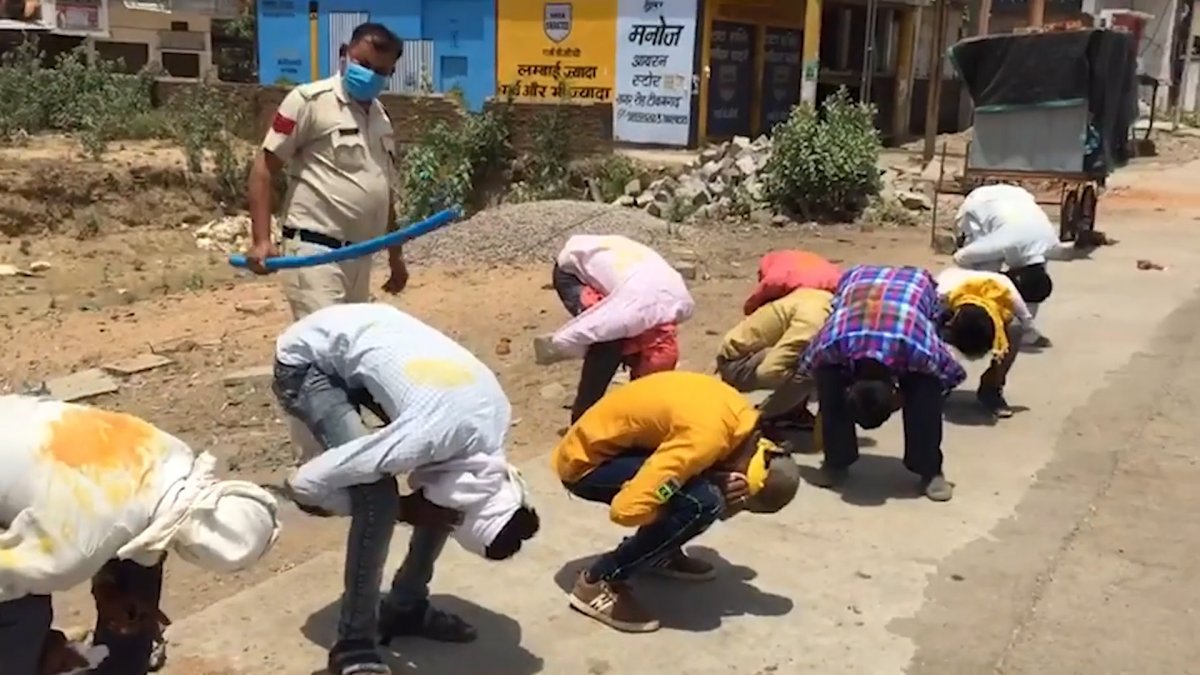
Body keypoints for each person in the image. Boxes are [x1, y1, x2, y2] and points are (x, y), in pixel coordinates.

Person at [273, 303, 540, 675]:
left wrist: (425, 507)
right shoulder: (429, 436)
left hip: (364, 335)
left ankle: (406, 606)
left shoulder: (488, 440)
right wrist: (400, 508)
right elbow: (305, 484)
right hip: (307, 360)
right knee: (377, 497)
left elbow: (449, 492)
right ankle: (353, 642)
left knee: (441, 495)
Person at [0, 395, 280, 675]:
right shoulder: (71, 552)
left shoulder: (172, 457)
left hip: (27, 441)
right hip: (58, 495)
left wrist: (108, 588)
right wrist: (45, 647)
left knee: (137, 576)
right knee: (25, 615)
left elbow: (135, 524)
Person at [552, 371, 801, 633]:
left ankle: (657, 553)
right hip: (585, 464)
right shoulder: (704, 440)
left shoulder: (740, 420)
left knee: (697, 494)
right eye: (741, 498)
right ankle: (598, 581)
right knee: (702, 503)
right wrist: (674, 517)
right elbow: (626, 510)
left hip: (616, 445)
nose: (735, 503)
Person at [244, 22, 409, 319]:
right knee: (329, 344)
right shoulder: (309, 102)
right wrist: (262, 241)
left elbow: (381, 188)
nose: (370, 75)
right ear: (344, 53)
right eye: (364, 63)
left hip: (360, 257)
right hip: (316, 254)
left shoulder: (381, 117)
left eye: (381, 71)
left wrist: (395, 256)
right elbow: (263, 169)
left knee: (346, 349)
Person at [801, 265, 966, 502]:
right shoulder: (830, 345)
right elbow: (807, 367)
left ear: (899, 397)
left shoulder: (920, 350)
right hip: (857, 278)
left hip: (915, 283)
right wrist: (830, 401)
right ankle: (836, 460)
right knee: (828, 379)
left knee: (927, 389)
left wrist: (924, 400)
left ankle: (930, 469)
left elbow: (949, 376)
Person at [535, 234, 694, 422]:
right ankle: (582, 420)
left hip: (618, 262)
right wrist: (582, 347)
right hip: (573, 269)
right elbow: (566, 339)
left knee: (615, 338)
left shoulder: (683, 306)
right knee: (607, 347)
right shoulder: (626, 317)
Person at [716, 286, 834, 437]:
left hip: (741, 352)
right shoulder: (814, 320)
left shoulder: (822, 298)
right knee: (810, 372)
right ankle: (759, 418)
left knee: (808, 359)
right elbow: (768, 372)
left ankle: (790, 411)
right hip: (737, 364)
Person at [937, 266, 1052, 418]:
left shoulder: (1007, 290)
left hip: (983, 305)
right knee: (929, 330)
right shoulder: (939, 294)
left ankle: (991, 388)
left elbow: (1027, 323)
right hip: (949, 301)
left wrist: (1031, 340)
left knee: (1015, 328)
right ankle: (937, 383)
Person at [953, 184, 1058, 344]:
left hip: (1015, 198)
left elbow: (1033, 287)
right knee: (985, 271)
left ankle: (1024, 331)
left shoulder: (1047, 245)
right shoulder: (998, 245)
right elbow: (960, 258)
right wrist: (996, 279)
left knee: (1032, 285)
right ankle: (971, 324)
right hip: (978, 205)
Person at [742, 249, 842, 315]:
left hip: (802, 300)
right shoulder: (828, 269)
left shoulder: (777, 273)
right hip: (828, 298)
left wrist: (750, 309)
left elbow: (762, 294)